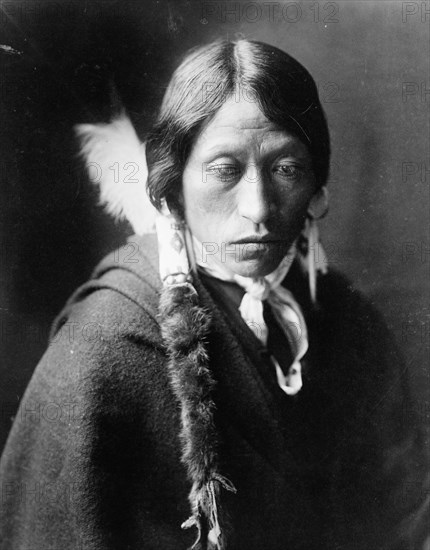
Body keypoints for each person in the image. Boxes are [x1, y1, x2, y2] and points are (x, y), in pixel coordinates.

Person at [0, 38, 428, 550]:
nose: (258, 208)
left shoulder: (349, 326)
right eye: (224, 170)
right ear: (173, 187)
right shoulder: (102, 351)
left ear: (318, 189)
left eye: (286, 170)